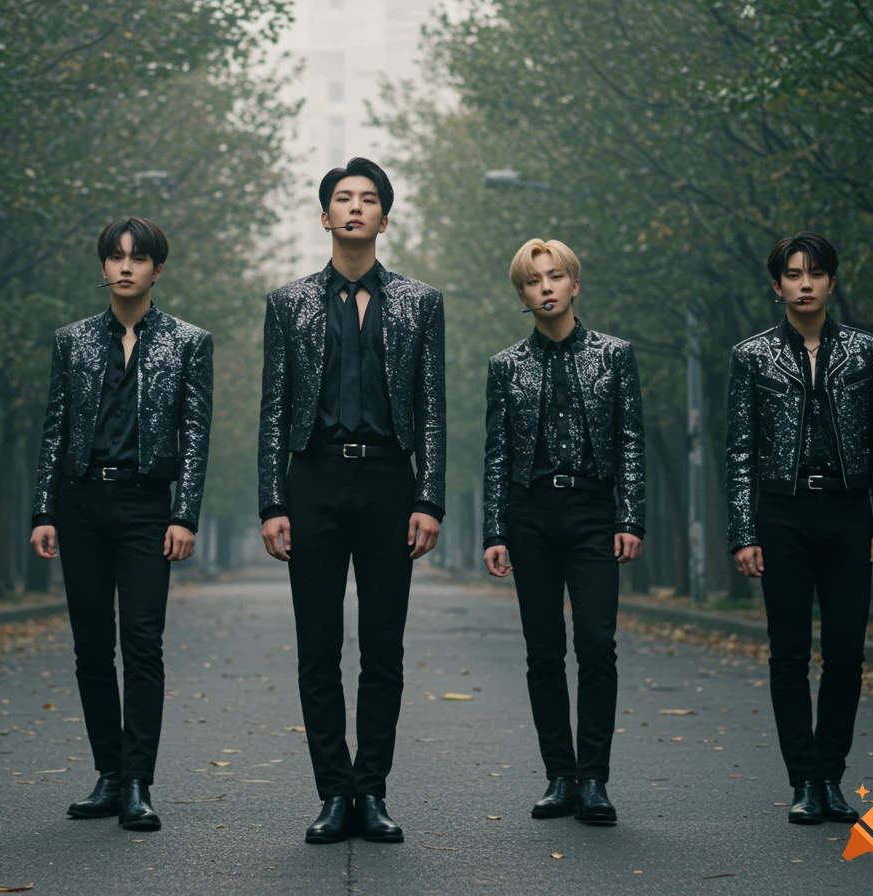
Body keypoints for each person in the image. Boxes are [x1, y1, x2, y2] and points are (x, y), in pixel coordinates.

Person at [258, 157, 446, 844]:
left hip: (390, 483)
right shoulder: (288, 303)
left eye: (369, 199)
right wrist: (271, 503)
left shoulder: (421, 303)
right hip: (313, 482)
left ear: (384, 220)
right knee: (317, 646)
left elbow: (432, 407)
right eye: (344, 198)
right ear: (325, 216)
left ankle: (372, 790)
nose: (356, 207)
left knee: (383, 647)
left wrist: (430, 498)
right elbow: (273, 409)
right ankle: (333, 793)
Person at [30, 217, 213, 831]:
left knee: (141, 641)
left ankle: (138, 781)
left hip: (146, 506)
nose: (126, 266)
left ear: (158, 270)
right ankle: (108, 774)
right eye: (116, 256)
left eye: (138, 257)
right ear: (103, 266)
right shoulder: (73, 341)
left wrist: (184, 514)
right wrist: (44, 510)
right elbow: (55, 429)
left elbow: (196, 436)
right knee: (90, 644)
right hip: (80, 502)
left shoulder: (189, 342)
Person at [726, 231, 873, 825]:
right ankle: (803, 780)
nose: (805, 284)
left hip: (849, 513)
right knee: (789, 652)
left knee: (846, 652)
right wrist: (744, 531)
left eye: (816, 273)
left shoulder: (866, 352)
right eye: (794, 275)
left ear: (832, 281)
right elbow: (740, 451)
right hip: (783, 514)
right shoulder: (752, 356)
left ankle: (831, 777)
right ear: (777, 285)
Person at [482, 237, 645, 826]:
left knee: (597, 643)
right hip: (530, 515)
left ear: (574, 284)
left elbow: (631, 440)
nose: (545, 287)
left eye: (554, 276)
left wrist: (630, 517)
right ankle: (560, 775)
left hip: (594, 512)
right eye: (532, 281)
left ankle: (594, 778)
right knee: (544, 649)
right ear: (522, 295)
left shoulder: (614, 356)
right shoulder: (505, 366)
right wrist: (494, 530)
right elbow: (497, 452)